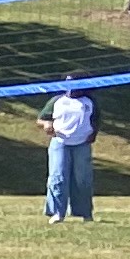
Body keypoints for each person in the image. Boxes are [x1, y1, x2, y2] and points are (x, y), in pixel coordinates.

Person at [41, 84, 96, 222]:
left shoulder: (89, 102)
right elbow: (42, 118)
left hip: (82, 144)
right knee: (58, 176)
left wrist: (93, 133)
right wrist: (47, 124)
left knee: (82, 179)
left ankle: (84, 213)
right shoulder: (56, 101)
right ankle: (57, 212)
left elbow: (96, 121)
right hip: (60, 142)